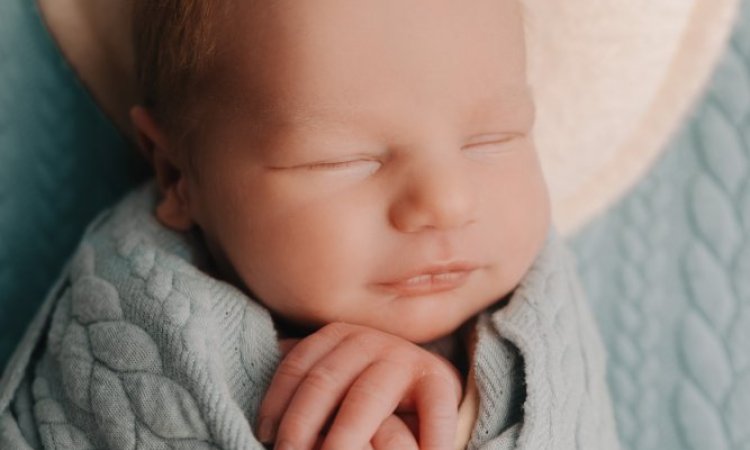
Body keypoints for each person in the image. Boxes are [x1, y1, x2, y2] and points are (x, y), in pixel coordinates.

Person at [1, 0, 736, 448]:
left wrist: (458, 401)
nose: (446, 203)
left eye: (495, 140)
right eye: (341, 160)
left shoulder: (540, 324)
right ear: (175, 175)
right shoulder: (128, 309)